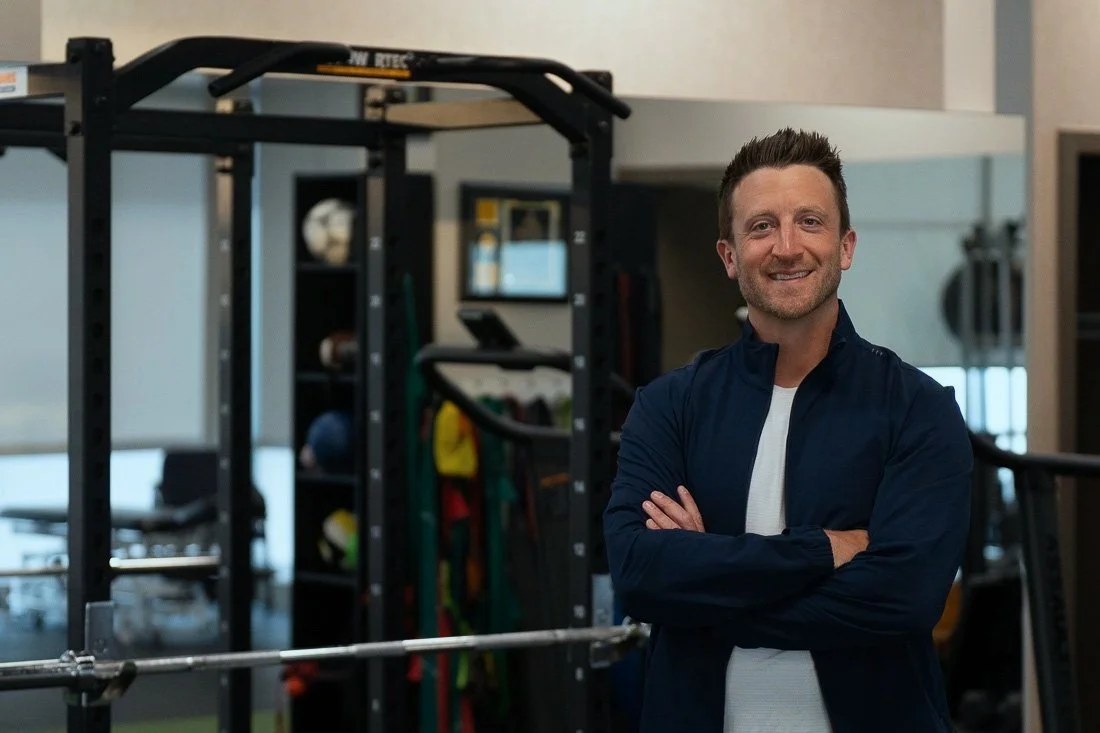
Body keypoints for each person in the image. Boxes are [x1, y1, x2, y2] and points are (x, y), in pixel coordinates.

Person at [603, 127, 973, 733]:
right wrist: (825, 549)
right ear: (729, 256)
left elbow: (903, 600)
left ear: (845, 246)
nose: (786, 246)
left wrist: (702, 592)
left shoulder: (917, 408)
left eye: (809, 221)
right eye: (761, 227)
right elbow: (641, 575)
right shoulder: (669, 406)